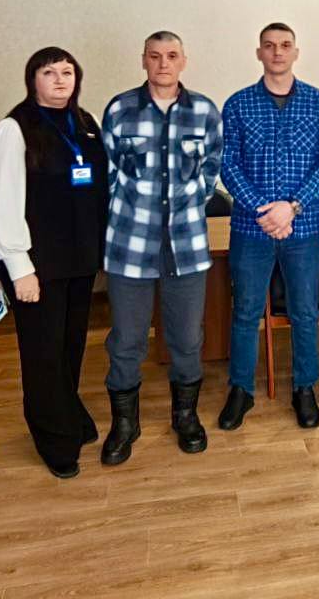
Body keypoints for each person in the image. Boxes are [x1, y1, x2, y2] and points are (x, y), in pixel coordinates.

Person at [0, 47, 109, 478]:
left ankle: (67, 410)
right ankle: (53, 438)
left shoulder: (86, 123)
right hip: (38, 266)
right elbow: (0, 204)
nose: (60, 80)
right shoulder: (13, 129)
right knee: (43, 353)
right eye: (49, 72)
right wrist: (19, 267)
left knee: (71, 345)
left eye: (67, 72)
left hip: (79, 260)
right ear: (32, 80)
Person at [101, 31, 223, 462]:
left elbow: (210, 171)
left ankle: (185, 417)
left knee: (187, 339)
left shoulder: (204, 111)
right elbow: (109, 173)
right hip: (130, 247)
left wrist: (183, 206)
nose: (163, 63)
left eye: (172, 56)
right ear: (144, 61)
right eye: (155, 56)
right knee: (126, 341)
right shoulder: (120, 109)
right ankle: (125, 424)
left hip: (186, 247)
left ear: (183, 61)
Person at [218, 23, 319, 431]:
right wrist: (264, 211)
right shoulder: (237, 104)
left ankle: (305, 387)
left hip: (303, 229)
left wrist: (292, 207)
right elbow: (228, 164)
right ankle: (241, 390)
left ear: (295, 52)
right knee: (245, 312)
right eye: (269, 46)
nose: (277, 52)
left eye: (285, 45)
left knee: (304, 311)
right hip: (251, 229)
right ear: (259, 53)